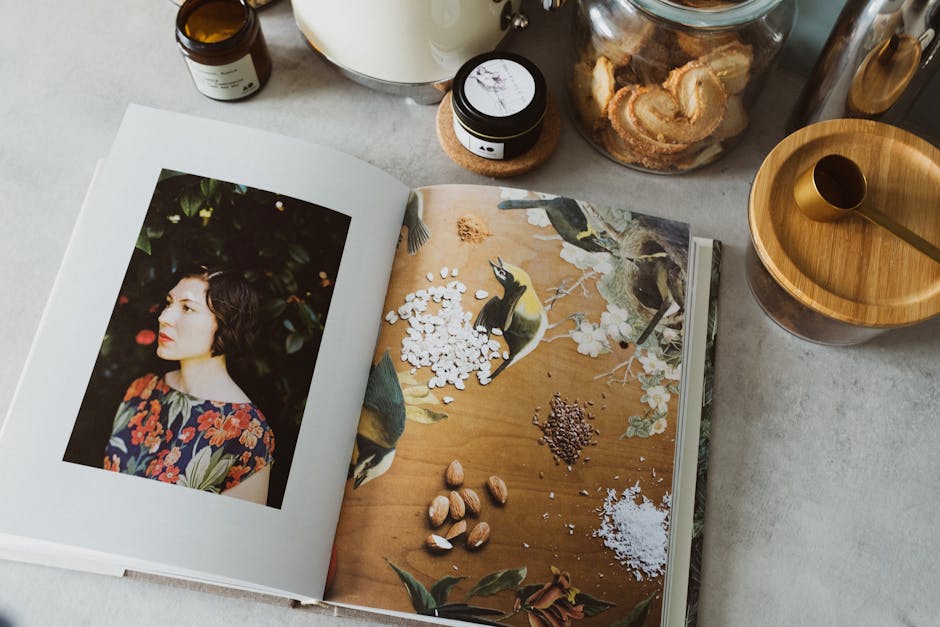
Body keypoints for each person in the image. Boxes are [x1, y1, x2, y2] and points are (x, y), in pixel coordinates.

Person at [103, 268, 274, 505]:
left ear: (226, 323)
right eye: (169, 303)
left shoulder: (247, 432)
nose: (163, 317)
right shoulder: (143, 389)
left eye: (187, 308)